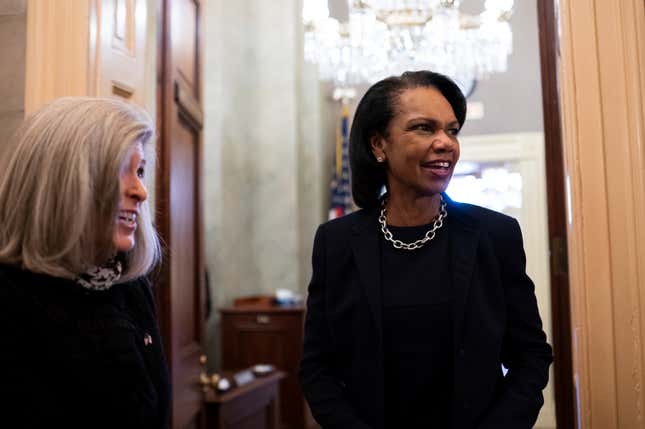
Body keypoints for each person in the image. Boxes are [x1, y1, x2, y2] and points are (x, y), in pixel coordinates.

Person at [299, 71, 553, 429]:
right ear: (378, 145)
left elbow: (531, 357)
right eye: (424, 128)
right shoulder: (336, 243)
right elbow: (317, 368)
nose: (445, 142)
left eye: (451, 130)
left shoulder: (496, 236)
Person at [0, 97, 169, 428]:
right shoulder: (11, 301)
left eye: (140, 171)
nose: (141, 191)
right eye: (122, 170)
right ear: (61, 181)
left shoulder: (131, 288)